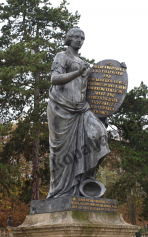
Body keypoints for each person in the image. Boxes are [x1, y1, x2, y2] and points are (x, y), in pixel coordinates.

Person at [47, 27, 110, 198]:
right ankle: (62, 191)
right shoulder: (62, 56)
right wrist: (77, 72)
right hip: (61, 109)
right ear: (68, 39)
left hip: (82, 108)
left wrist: (118, 71)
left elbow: (94, 86)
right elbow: (54, 79)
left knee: (99, 134)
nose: (79, 40)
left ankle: (86, 181)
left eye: (82, 37)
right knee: (64, 153)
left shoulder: (82, 61)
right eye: (75, 37)